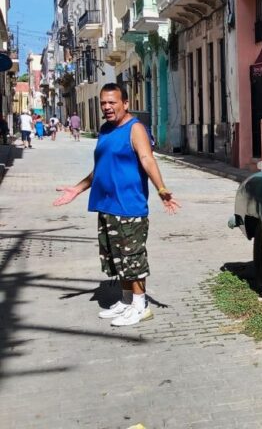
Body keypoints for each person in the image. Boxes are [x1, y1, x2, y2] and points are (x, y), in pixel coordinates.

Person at [53, 83, 181, 327]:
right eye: (103, 103)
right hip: (107, 205)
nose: (107, 107)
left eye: (112, 102)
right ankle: (126, 300)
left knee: (132, 259)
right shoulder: (105, 130)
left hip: (128, 206)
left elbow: (147, 159)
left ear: (125, 103)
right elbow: (100, 169)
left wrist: (161, 189)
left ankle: (141, 305)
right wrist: (77, 189)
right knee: (116, 259)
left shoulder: (135, 129)